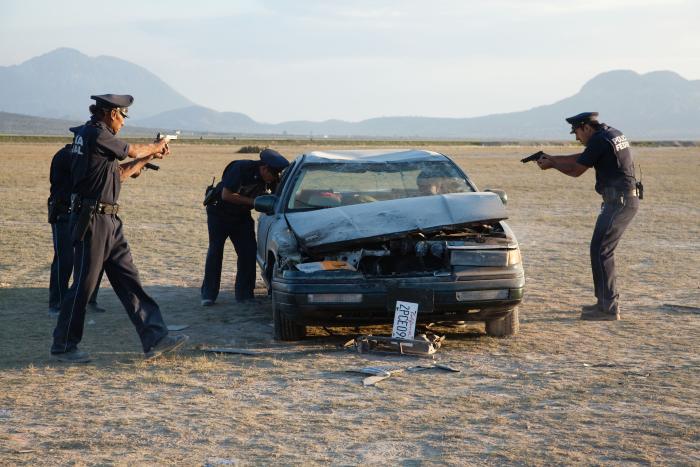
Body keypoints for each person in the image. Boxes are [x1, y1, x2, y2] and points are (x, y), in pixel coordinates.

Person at [50, 94, 189, 362]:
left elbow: (120, 174)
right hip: (94, 219)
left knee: (129, 280)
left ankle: (155, 338)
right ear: (113, 113)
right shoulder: (96, 134)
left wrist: (148, 158)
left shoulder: (95, 137)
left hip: (109, 220)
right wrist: (154, 146)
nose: (123, 123)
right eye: (123, 116)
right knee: (83, 286)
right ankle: (63, 346)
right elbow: (132, 150)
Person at [536, 112, 640, 321]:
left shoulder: (600, 140)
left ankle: (608, 308)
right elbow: (583, 157)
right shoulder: (611, 134)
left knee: (601, 251)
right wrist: (554, 158)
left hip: (618, 202)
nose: (576, 137)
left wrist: (553, 165)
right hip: (622, 200)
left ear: (585, 127)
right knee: (601, 250)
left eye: (576, 132)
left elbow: (576, 170)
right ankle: (605, 304)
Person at [201, 149, 289, 306]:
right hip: (219, 213)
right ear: (263, 169)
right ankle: (208, 295)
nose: (274, 180)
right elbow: (226, 195)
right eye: (273, 175)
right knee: (216, 251)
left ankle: (245, 295)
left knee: (248, 252)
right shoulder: (240, 168)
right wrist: (254, 202)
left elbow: (277, 197)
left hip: (241, 216)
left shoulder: (271, 176)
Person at [48, 144, 105, 317]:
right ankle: (57, 303)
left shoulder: (81, 156)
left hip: (82, 213)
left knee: (94, 258)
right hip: (63, 212)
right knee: (65, 259)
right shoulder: (67, 156)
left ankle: (88, 300)